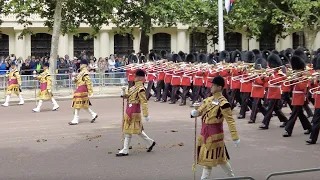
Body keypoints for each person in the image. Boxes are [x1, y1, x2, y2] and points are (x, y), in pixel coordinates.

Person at [190, 76, 240, 179]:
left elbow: (230, 121)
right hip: (204, 133)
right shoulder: (209, 100)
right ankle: (232, 178)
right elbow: (201, 110)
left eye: (213, 85)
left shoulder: (224, 103)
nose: (211, 87)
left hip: (214, 136)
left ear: (219, 87)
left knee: (208, 163)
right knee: (222, 160)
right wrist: (195, 112)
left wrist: (235, 137)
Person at [116, 69, 156, 157]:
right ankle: (150, 142)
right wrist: (123, 94)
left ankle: (125, 149)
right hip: (129, 110)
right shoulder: (133, 88)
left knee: (128, 130)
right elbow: (129, 97)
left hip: (134, 111)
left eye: (137, 76)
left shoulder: (141, 89)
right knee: (138, 130)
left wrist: (146, 114)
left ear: (141, 77)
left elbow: (144, 101)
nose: (135, 77)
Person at [69, 59, 98, 125]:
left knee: (77, 104)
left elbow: (88, 82)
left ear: (84, 64)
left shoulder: (84, 72)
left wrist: (91, 91)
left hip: (81, 89)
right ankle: (93, 114)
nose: (80, 65)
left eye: (81, 64)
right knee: (84, 105)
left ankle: (76, 119)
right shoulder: (81, 72)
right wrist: (73, 78)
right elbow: (77, 80)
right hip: (80, 88)